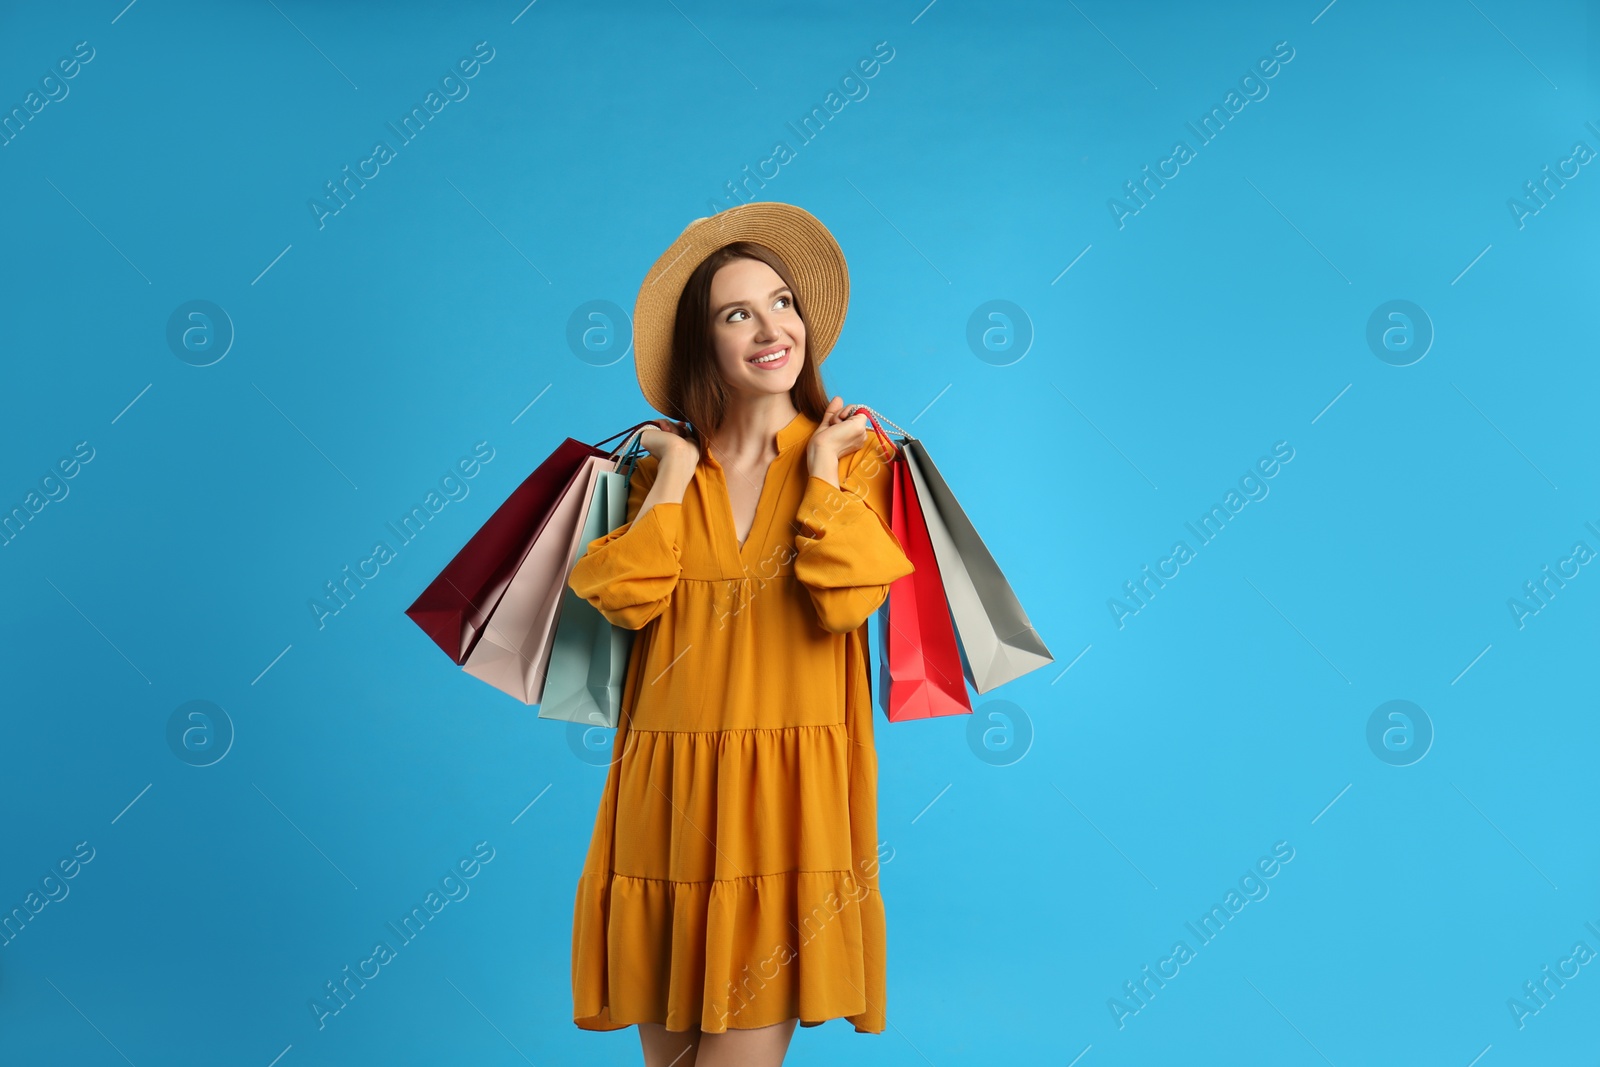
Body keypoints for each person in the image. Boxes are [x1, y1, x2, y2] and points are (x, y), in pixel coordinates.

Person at [566, 202, 914, 1067]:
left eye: (783, 302)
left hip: (784, 811)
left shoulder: (857, 459)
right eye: (738, 313)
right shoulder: (660, 469)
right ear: (705, 344)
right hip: (666, 800)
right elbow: (621, 596)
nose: (772, 327)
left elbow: (846, 599)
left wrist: (826, 476)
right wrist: (675, 479)